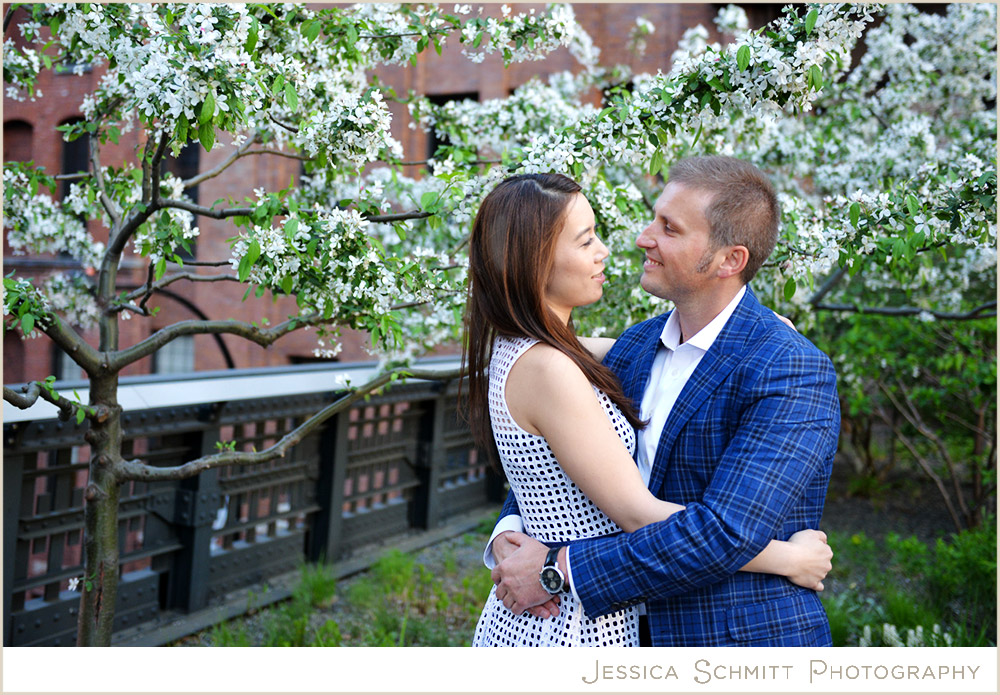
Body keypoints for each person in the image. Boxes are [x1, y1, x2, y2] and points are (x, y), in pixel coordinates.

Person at [466, 170, 834, 647]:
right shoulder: (635, 350)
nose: (642, 238)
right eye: (653, 219)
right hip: (595, 630)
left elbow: (723, 534)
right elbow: (555, 469)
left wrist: (557, 568)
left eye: (670, 228)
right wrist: (510, 532)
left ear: (729, 259)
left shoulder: (789, 368)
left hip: (727, 640)